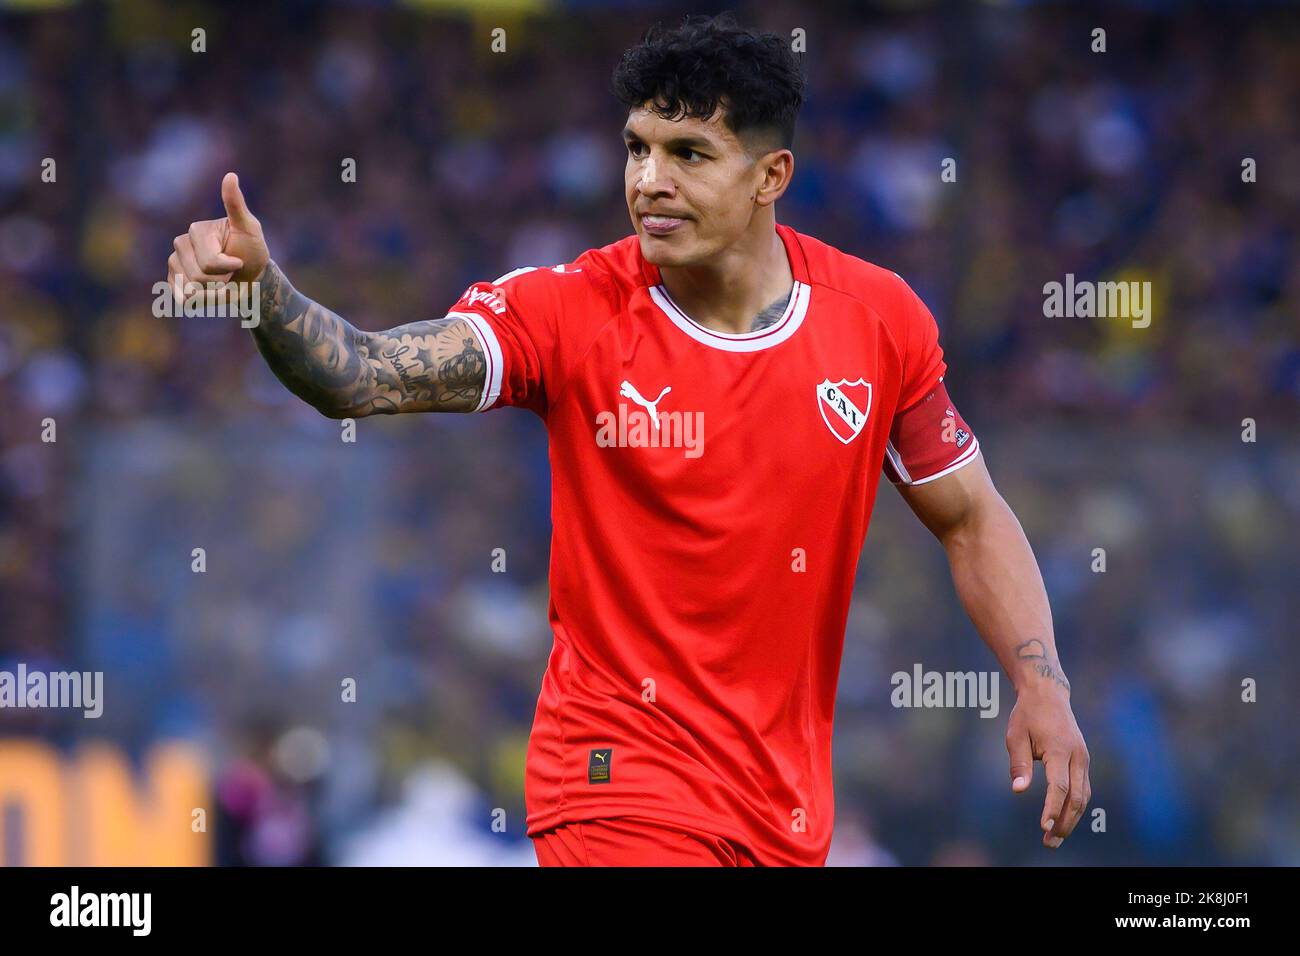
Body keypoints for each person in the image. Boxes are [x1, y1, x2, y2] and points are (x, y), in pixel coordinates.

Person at [163, 13, 1089, 867]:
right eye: (637, 149)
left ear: (772, 177)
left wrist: (1041, 682)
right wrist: (264, 292)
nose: (650, 181)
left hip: (781, 809)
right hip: (616, 786)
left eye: (689, 153)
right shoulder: (565, 311)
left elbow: (969, 516)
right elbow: (359, 374)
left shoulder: (878, 321)